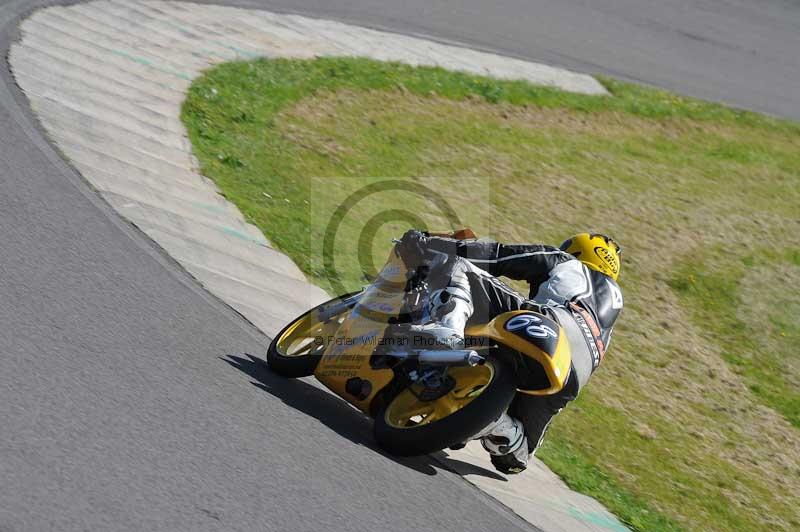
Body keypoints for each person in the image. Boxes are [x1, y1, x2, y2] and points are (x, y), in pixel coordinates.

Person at [396, 230, 624, 474]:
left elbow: (497, 256)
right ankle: (495, 424)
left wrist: (429, 244)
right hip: (572, 375)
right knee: (517, 458)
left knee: (460, 265)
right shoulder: (613, 308)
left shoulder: (565, 261)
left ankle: (447, 333)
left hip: (551, 325)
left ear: (577, 250)